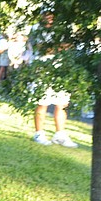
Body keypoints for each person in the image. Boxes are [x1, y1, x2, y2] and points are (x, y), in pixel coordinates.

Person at [28, 13, 78, 147]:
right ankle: (39, 132)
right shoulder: (36, 29)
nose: (50, 18)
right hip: (42, 68)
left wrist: (58, 47)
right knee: (42, 102)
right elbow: (42, 48)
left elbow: (69, 46)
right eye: (48, 15)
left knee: (61, 103)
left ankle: (60, 134)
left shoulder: (62, 29)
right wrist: (59, 47)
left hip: (60, 68)